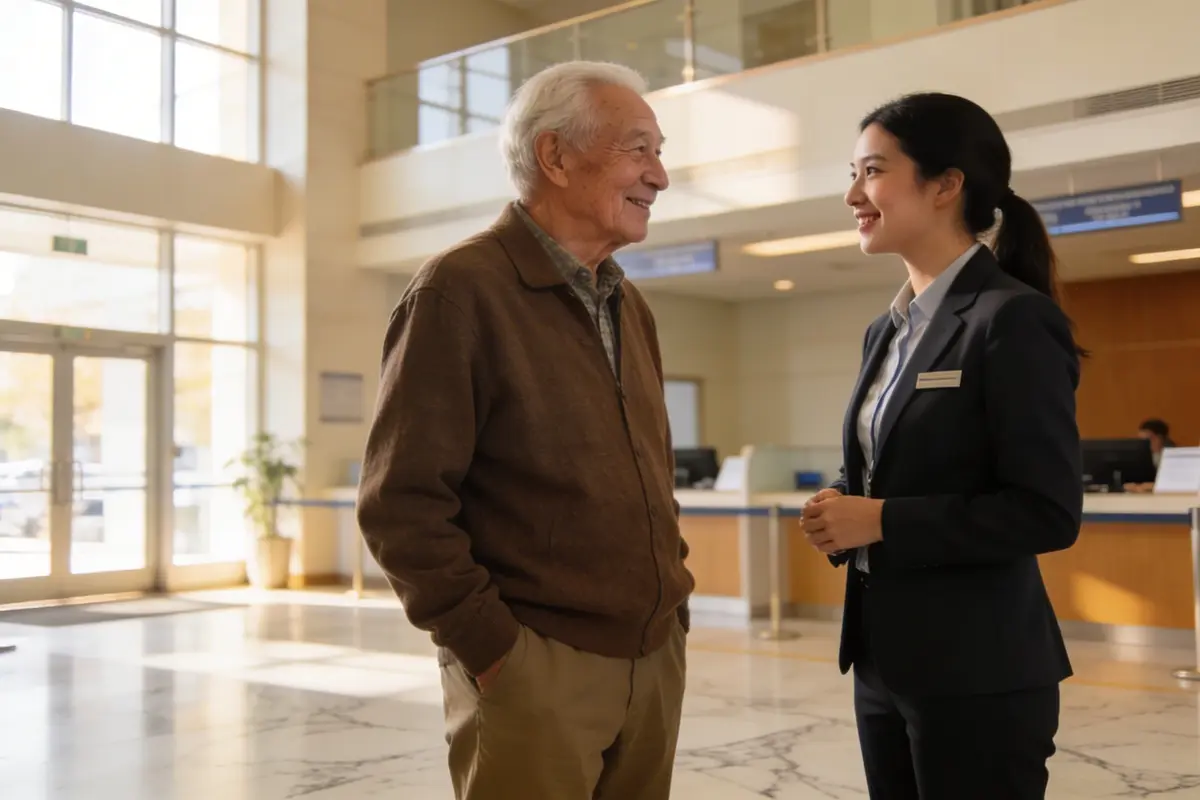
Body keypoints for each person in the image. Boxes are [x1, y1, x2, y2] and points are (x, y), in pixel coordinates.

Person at [356, 61, 692, 800]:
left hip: (653, 657)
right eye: (640, 149)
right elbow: (401, 505)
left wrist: (675, 606)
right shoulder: (459, 290)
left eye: (658, 152)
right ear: (556, 155)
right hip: (534, 668)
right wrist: (495, 652)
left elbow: (650, 473)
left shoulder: (629, 305)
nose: (659, 176)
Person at [801, 92, 1084, 800]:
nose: (852, 195)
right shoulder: (886, 330)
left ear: (946, 185)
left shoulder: (1012, 320)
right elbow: (894, 461)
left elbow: (1045, 511)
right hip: (882, 666)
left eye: (871, 172)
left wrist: (883, 520)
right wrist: (842, 503)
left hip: (980, 673)